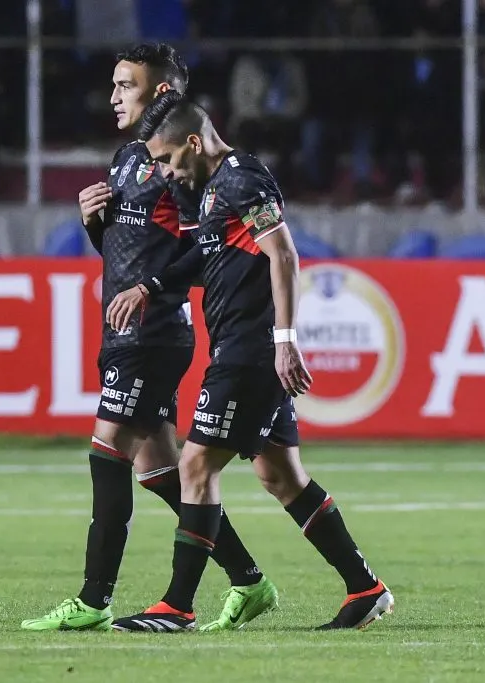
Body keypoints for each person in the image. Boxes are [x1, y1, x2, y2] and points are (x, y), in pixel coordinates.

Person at [105, 92, 394, 632]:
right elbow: (204, 252)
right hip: (240, 345)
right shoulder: (214, 189)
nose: (166, 171)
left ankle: (177, 606)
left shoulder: (242, 179)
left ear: (194, 142)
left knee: (194, 466)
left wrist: (285, 339)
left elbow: (284, 253)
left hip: (251, 349)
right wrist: (151, 285)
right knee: (281, 475)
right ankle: (365, 586)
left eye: (168, 159)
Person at [22, 43, 277, 633]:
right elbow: (124, 253)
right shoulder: (128, 158)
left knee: (106, 451)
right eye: (112, 85)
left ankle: (93, 599)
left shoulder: (180, 168)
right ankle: (248, 579)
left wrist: (154, 288)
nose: (113, 96)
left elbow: (200, 246)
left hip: (155, 331)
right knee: (161, 471)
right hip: (128, 328)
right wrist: (95, 223)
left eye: (124, 85)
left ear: (161, 92)